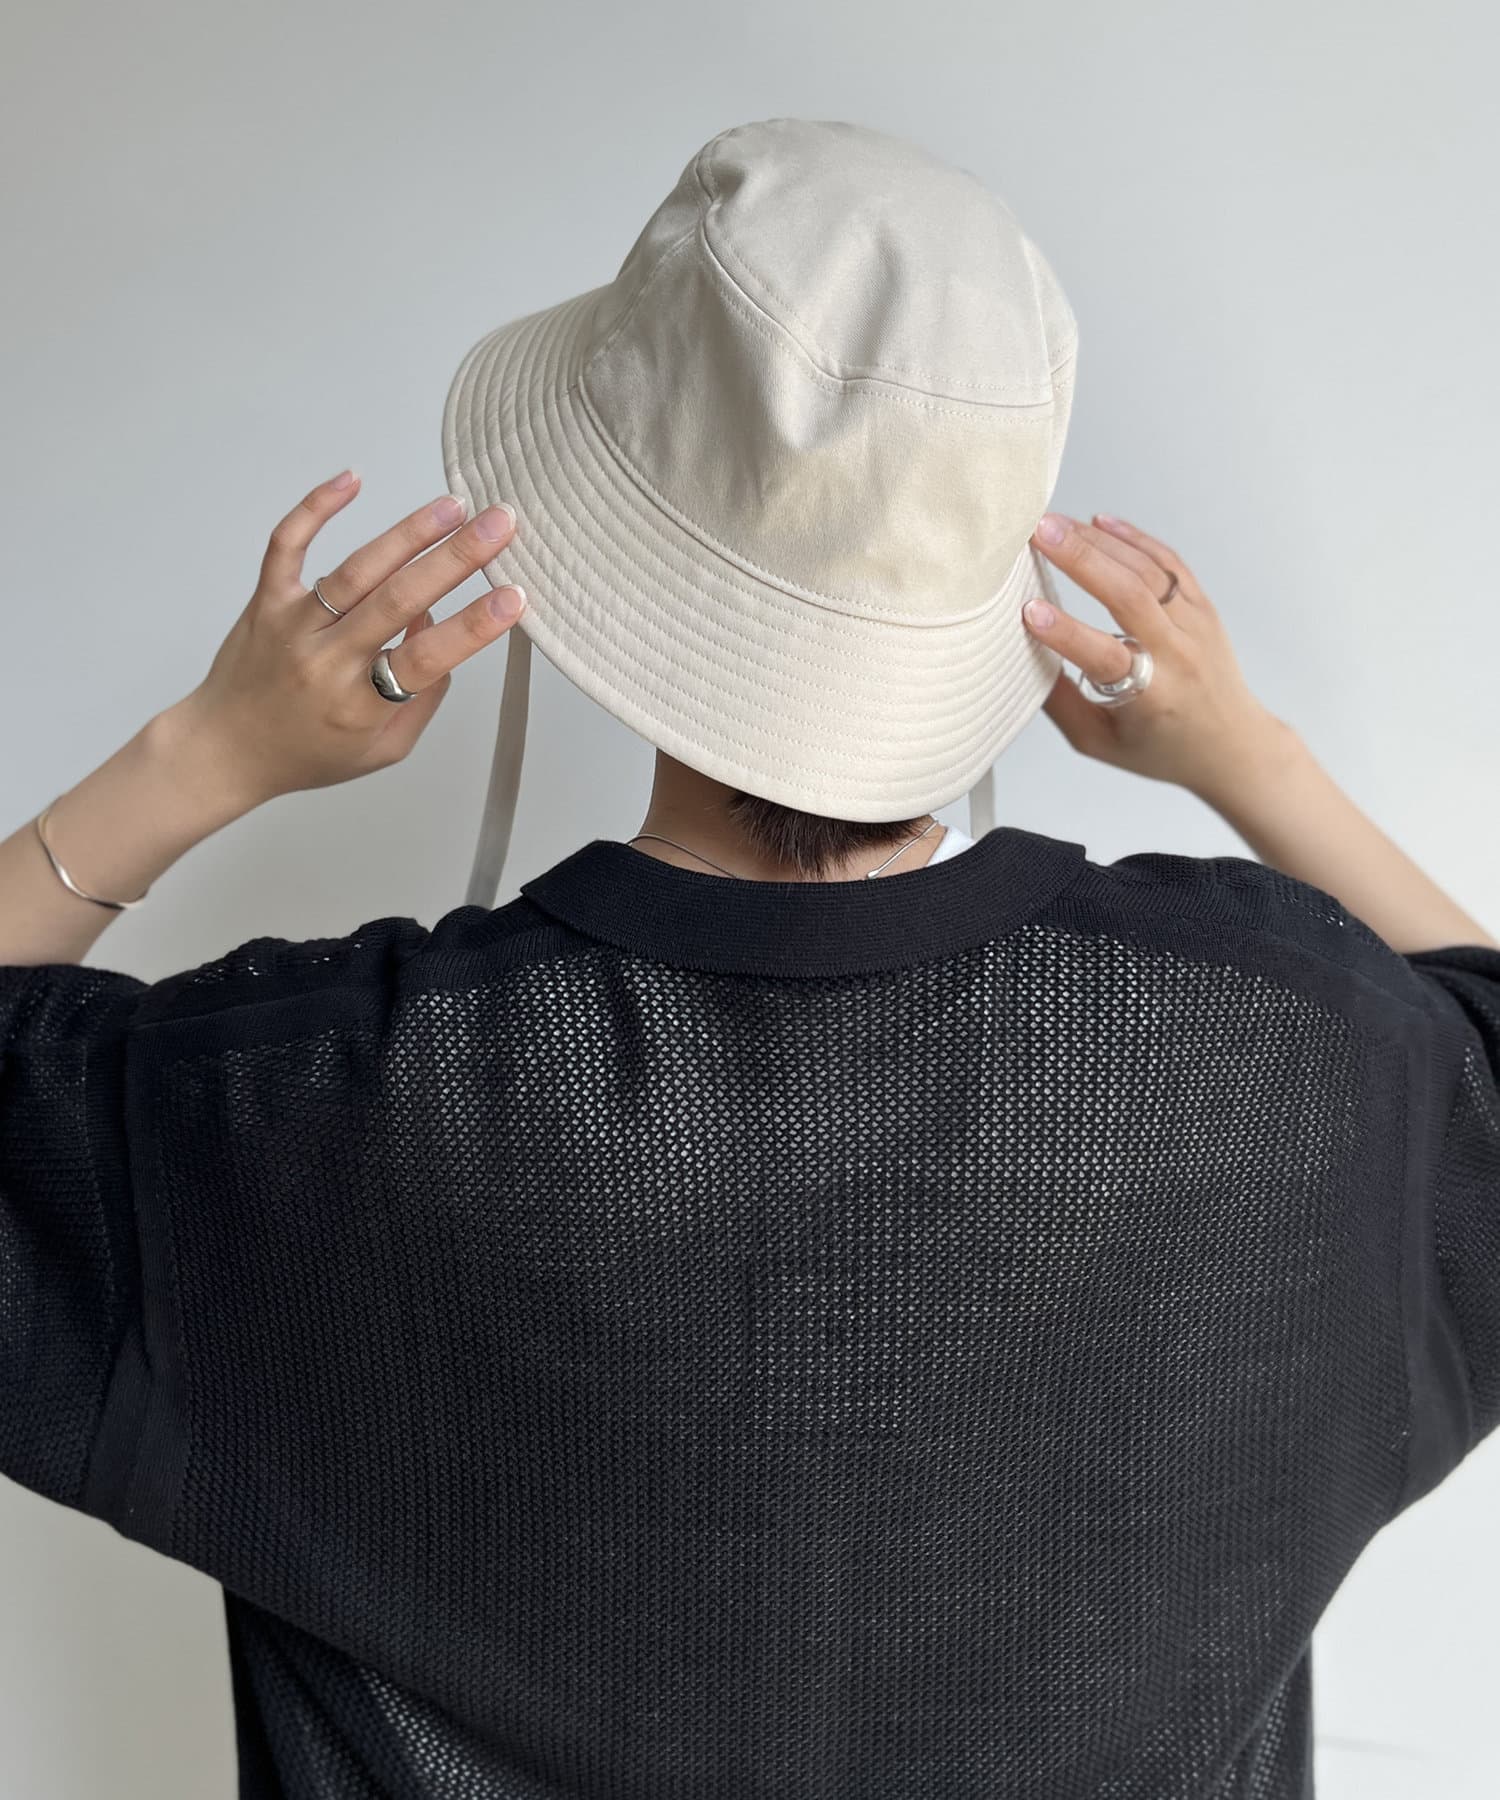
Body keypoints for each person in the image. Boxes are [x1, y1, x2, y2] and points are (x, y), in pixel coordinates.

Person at [4, 115, 1498, 1799]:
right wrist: (1254, 759)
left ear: (593, 550)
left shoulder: (311, 1098)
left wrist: (208, 751)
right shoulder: (1286, 1054)